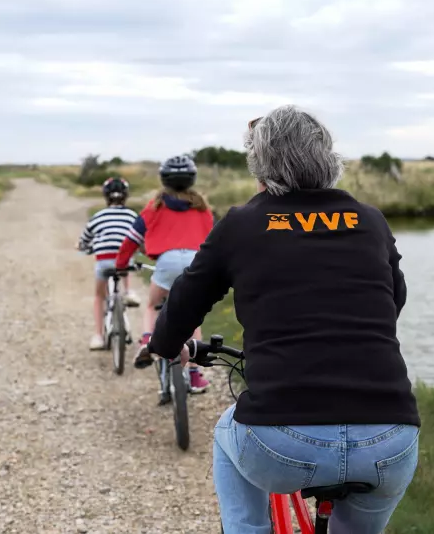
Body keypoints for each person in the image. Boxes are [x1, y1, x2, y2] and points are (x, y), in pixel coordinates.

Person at [145, 105, 419, 534]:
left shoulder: (242, 223)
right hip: (389, 440)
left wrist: (165, 345)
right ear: (328, 157)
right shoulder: (370, 220)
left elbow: (184, 301)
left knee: (226, 433)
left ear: (260, 164)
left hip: (282, 443)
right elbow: (394, 301)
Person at [114, 155, 213, 394]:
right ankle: (194, 375)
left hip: (167, 261)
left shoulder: (154, 207)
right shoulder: (203, 209)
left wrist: (121, 264)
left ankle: (148, 341)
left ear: (164, 180)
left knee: (152, 305)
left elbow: (132, 240)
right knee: (192, 317)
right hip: (196, 262)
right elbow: (215, 240)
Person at [77, 177, 142, 350]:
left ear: (105, 196)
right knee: (125, 259)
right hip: (124, 261)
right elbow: (140, 237)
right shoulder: (132, 215)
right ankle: (128, 291)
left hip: (104, 261)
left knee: (99, 296)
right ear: (126, 196)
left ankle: (98, 336)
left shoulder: (98, 216)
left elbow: (85, 240)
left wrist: (82, 247)